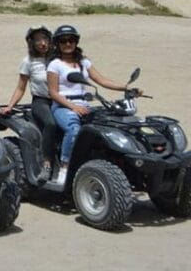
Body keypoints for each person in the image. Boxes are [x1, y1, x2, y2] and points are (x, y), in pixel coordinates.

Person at [47, 25, 143, 186]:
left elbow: (101, 80)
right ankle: (64, 166)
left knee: (110, 125)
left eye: (71, 40)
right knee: (73, 129)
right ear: (57, 43)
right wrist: (73, 107)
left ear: (76, 42)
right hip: (63, 106)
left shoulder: (83, 62)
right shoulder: (55, 64)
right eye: (63, 41)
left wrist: (126, 88)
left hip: (84, 104)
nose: (68, 44)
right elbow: (53, 93)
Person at [1, 26, 56, 180]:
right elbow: (21, 87)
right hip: (41, 101)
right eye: (38, 40)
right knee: (50, 124)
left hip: (61, 100)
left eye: (45, 39)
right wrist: (10, 106)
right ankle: (46, 164)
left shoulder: (57, 59)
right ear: (31, 43)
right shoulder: (29, 62)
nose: (42, 43)